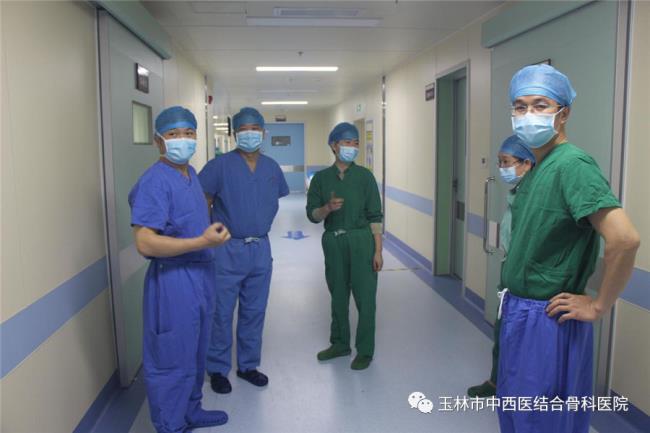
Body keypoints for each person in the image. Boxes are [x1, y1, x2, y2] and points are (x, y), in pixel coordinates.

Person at [497, 64, 640, 433]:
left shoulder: (572, 165)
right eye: (520, 106)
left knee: (541, 421)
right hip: (520, 313)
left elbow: (625, 239)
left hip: (548, 320)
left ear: (563, 113)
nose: (528, 114)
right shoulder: (540, 166)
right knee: (516, 413)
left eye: (540, 105)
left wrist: (598, 304)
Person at [129, 106, 231, 433]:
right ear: (159, 141)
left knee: (196, 350)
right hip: (172, 282)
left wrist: (209, 235)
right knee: (172, 357)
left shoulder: (190, 175)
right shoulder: (154, 181)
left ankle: (191, 411)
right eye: (173, 134)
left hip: (201, 275)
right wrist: (201, 242)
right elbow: (145, 242)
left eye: (189, 133)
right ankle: (170, 425)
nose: (182, 140)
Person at [199, 107, 289, 394]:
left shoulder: (271, 167)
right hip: (227, 248)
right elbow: (203, 200)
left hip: (260, 248)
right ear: (235, 133)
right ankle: (217, 369)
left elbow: (272, 200)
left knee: (255, 309)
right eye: (244, 129)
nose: (250, 134)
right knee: (221, 311)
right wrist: (209, 235)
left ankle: (248, 365)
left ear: (263, 133)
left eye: (255, 129)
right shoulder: (219, 166)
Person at [306, 122, 384, 370]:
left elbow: (375, 217)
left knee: (365, 298)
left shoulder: (365, 177)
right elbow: (312, 215)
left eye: (355, 143)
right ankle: (340, 344)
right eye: (347, 142)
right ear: (334, 145)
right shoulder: (321, 179)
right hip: (333, 242)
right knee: (338, 295)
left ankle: (365, 350)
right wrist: (327, 208)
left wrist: (378, 251)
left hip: (362, 241)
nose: (352, 147)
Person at [467, 135, 535, 398]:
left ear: (527, 163)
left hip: (525, 280)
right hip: (511, 273)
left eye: (506, 162)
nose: (501, 168)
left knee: (518, 337)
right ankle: (497, 382)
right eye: (499, 162)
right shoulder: (517, 193)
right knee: (503, 331)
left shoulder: (532, 197)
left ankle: (515, 389)